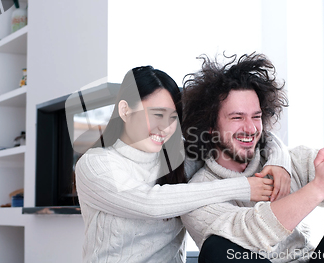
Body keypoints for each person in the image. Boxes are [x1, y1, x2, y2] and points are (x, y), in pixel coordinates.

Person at [180, 53, 324, 262]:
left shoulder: (291, 161)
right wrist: (318, 188)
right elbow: (251, 232)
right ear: (210, 127)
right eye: (237, 117)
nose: (250, 128)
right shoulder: (198, 194)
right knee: (217, 250)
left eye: (256, 117)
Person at [75, 66, 293, 262]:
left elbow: (247, 135)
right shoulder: (95, 164)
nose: (165, 127)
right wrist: (244, 187)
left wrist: (279, 162)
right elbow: (151, 203)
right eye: (156, 114)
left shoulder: (179, 155)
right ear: (124, 110)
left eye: (172, 118)